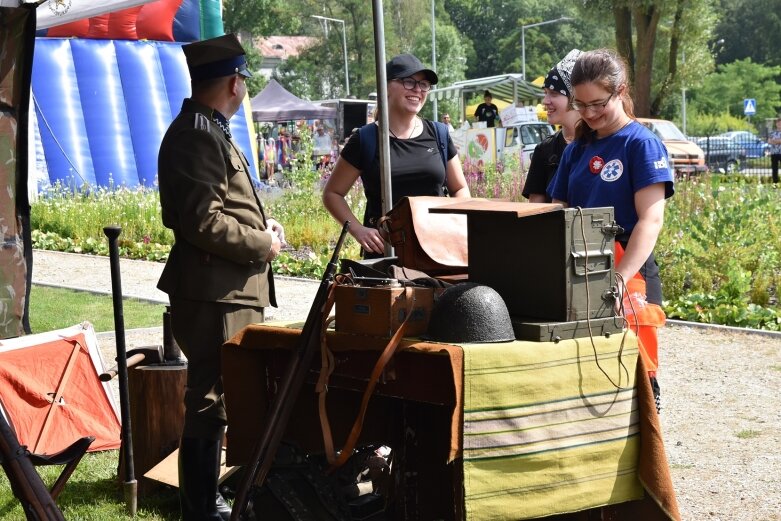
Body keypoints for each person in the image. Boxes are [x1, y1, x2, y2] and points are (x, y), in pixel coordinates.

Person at [156, 33, 284, 520]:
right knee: (212, 401)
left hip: (225, 291)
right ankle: (202, 507)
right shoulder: (197, 133)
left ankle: (207, 501)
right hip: (216, 294)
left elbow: (221, 207)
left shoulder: (208, 128)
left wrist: (261, 227)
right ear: (235, 82)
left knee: (221, 398)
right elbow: (203, 221)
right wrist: (263, 243)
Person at [547, 48, 674, 410]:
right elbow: (559, 211)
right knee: (587, 370)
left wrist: (618, 279)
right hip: (580, 268)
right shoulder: (578, 148)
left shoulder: (641, 144)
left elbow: (650, 220)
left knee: (636, 373)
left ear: (620, 92)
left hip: (627, 269)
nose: (588, 113)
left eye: (597, 104)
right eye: (580, 104)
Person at [323, 53, 470, 257]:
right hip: (385, 255)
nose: (418, 90)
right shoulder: (366, 139)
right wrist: (358, 230)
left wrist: (453, 223)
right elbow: (332, 194)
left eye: (424, 84)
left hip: (437, 250)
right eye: (409, 82)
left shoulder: (439, 134)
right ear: (386, 87)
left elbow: (460, 188)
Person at [523, 49, 582, 202]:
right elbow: (535, 213)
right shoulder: (544, 150)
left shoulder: (601, 143)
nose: (545, 101)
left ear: (575, 97)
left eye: (554, 94)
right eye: (545, 93)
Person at [768, 118, 781, 183]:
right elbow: (769, 141)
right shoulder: (772, 132)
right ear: (776, 124)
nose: (779, 124)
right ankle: (775, 184)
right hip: (774, 153)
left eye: (780, 123)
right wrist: (777, 141)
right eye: (778, 123)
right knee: (774, 170)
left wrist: (774, 141)